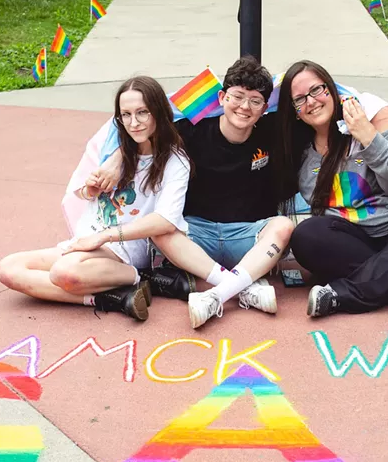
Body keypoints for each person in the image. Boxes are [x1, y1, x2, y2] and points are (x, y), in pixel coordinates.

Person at [92, 57, 295, 329]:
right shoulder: (188, 132)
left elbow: (323, 93)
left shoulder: (274, 131)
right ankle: (241, 286)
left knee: (283, 226)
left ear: (264, 107)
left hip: (249, 236)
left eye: (255, 101)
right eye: (237, 96)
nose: (244, 107)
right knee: (160, 226)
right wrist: (115, 158)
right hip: (195, 239)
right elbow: (144, 129)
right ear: (222, 97)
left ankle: (215, 295)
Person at [274, 60, 388, 318]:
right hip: (353, 239)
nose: (311, 102)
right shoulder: (299, 151)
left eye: (317, 90)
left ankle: (342, 295)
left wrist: (368, 137)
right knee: (306, 235)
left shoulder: (379, 117)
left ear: (332, 89)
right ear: (294, 110)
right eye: (300, 99)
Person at [0, 76, 190, 321]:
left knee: (64, 272)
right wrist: (90, 190)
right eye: (126, 115)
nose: (134, 123)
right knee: (8, 269)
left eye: (142, 113)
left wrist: (105, 236)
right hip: (86, 239)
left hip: (123, 248)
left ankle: (139, 276)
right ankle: (111, 298)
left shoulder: (175, 161)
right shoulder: (114, 150)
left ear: (159, 112)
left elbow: (166, 221)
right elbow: (80, 192)